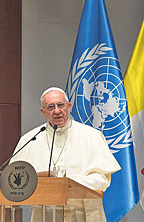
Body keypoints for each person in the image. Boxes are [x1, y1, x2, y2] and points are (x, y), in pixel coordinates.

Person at [10, 87, 121, 221]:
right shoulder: (30, 139)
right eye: (51, 107)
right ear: (43, 112)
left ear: (68, 107)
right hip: (46, 214)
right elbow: (17, 180)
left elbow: (102, 180)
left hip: (83, 214)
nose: (57, 111)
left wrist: (69, 183)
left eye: (60, 105)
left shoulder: (91, 136)